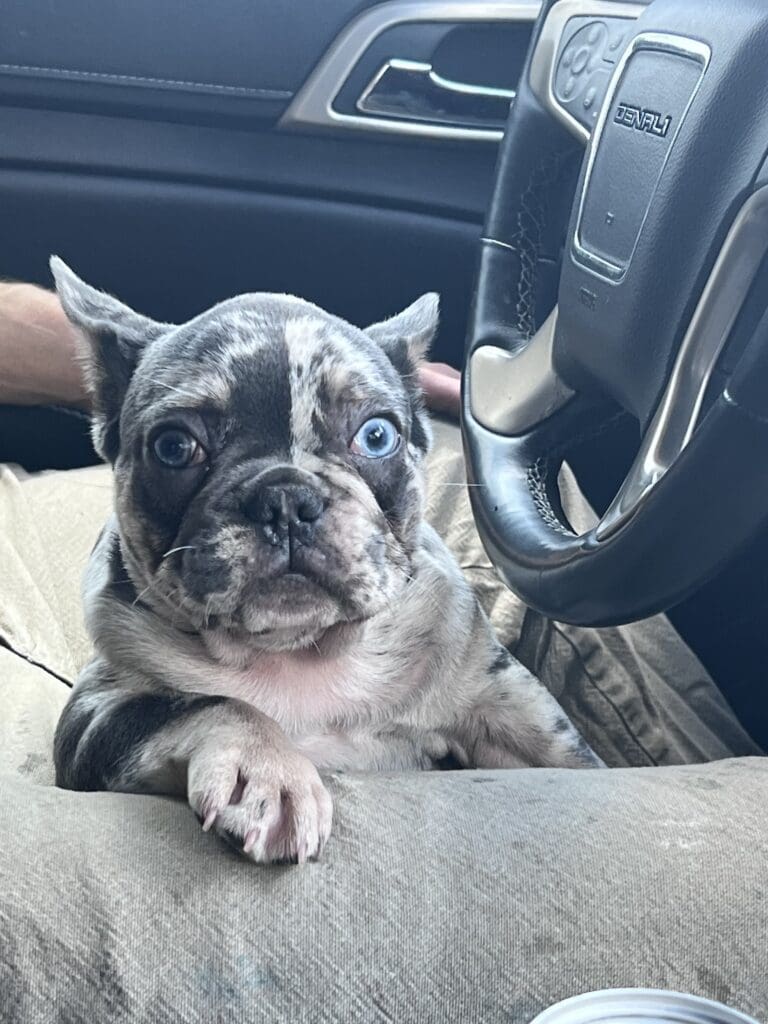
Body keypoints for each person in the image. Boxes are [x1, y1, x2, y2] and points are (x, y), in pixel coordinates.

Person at [0, 277, 760, 768]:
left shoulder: (436, 620)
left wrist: (173, 367)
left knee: (500, 472)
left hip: (419, 649)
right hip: (164, 657)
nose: (288, 509)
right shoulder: (133, 643)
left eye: (372, 437)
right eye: (178, 448)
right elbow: (89, 736)